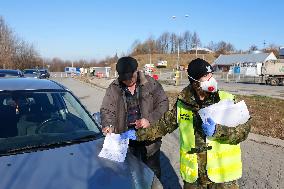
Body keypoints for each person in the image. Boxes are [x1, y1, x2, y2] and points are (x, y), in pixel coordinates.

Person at [136, 58, 251, 189]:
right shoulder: (182, 104)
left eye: (211, 75)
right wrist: (135, 135)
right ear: (195, 82)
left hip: (223, 178)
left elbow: (244, 130)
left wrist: (219, 131)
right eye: (206, 76)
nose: (211, 79)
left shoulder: (228, 100)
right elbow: (161, 126)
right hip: (194, 177)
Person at [100, 56, 169, 179]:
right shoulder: (113, 88)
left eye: (131, 77)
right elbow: (107, 110)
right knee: (132, 175)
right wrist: (108, 125)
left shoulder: (151, 84)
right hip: (126, 141)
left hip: (150, 139)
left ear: (136, 71)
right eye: (124, 79)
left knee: (152, 174)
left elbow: (163, 104)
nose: (128, 81)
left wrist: (149, 120)